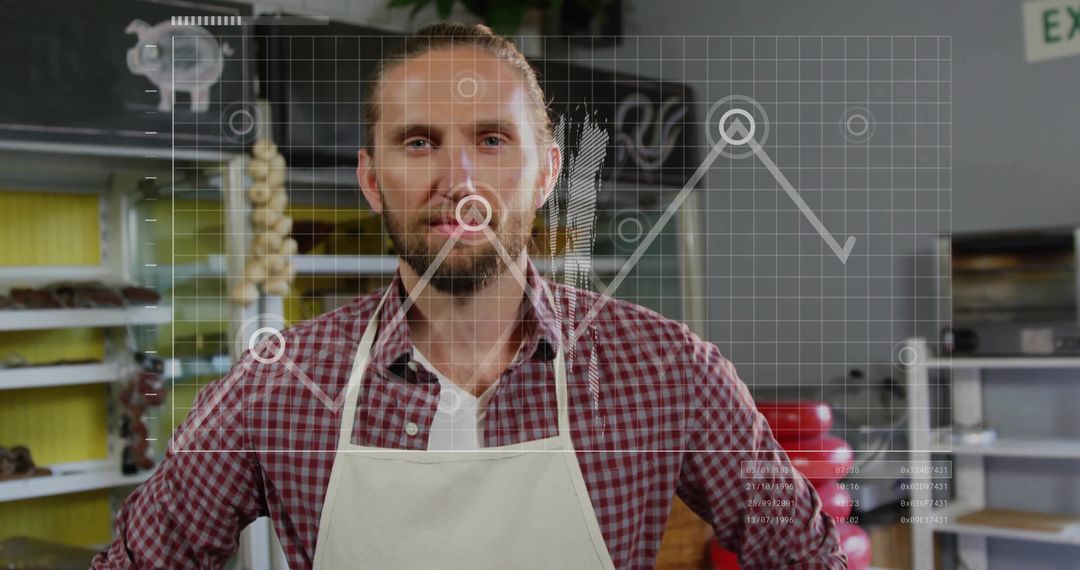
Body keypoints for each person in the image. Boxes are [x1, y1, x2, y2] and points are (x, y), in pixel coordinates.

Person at [93, 23, 846, 569]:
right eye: (419, 142)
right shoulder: (278, 386)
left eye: (491, 140)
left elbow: (808, 556)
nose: (459, 181)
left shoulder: (668, 371)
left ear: (547, 173)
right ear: (371, 179)